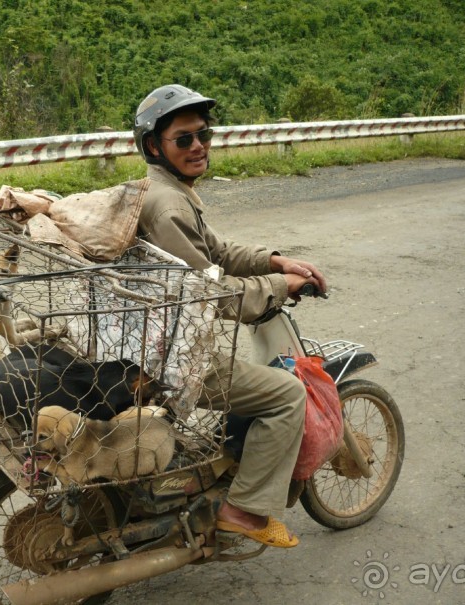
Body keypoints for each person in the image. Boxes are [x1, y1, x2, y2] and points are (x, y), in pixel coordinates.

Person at [133, 84, 327, 548]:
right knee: (286, 395)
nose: (198, 146)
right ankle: (243, 509)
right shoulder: (169, 204)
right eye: (184, 139)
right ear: (153, 146)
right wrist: (282, 287)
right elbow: (215, 295)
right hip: (172, 358)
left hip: (146, 338)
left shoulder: (161, 190)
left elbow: (215, 251)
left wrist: (275, 261)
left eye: (204, 134)